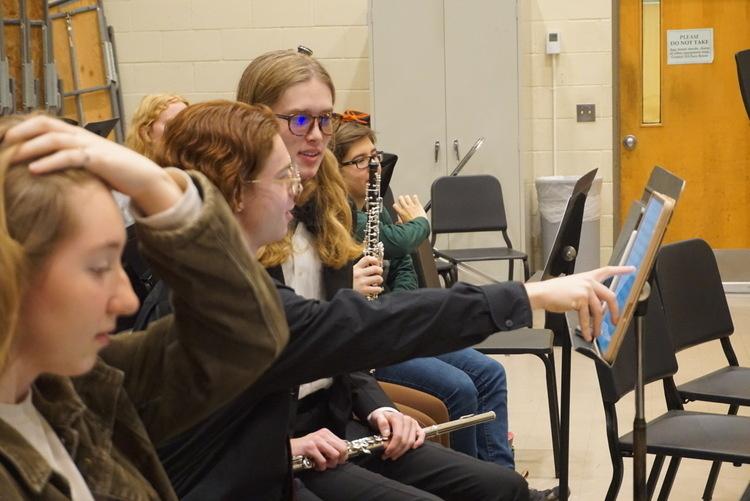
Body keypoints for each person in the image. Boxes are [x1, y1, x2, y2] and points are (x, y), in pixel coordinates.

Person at [150, 97, 631, 501]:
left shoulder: (219, 271)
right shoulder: (221, 296)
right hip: (242, 484)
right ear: (235, 192)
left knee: (499, 487)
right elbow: (366, 325)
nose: (295, 194)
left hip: (266, 460)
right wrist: (529, 294)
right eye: (283, 178)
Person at [0, 114, 288, 498]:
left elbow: (246, 336)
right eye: (100, 266)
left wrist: (158, 187)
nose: (127, 300)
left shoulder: (70, 388)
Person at [332, 113, 516, 468]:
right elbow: (401, 242)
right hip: (370, 345)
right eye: (360, 161)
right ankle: (471, 484)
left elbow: (402, 263)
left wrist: (398, 305)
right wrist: (420, 223)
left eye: (375, 157)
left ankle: (501, 478)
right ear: (333, 169)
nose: (374, 167)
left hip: (395, 324)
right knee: (459, 388)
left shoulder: (376, 203)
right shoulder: (338, 218)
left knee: (491, 373)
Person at [125, 93, 188, 160]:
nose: (183, 130)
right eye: (171, 124)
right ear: (146, 132)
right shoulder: (133, 168)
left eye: (187, 123)